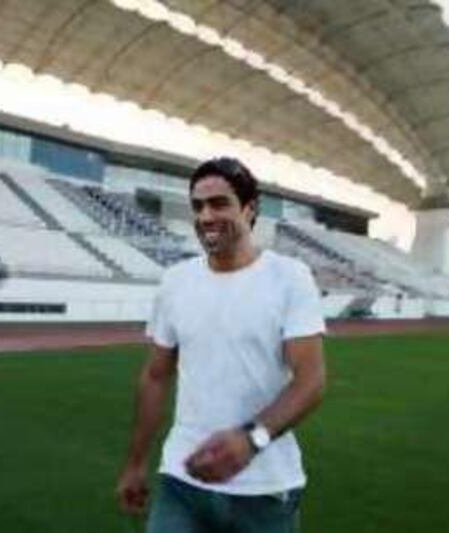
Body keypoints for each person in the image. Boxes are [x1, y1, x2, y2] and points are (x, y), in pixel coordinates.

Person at [116, 157, 327, 532]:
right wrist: (135, 463)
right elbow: (155, 377)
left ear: (249, 209)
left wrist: (251, 440)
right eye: (198, 206)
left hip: (265, 491)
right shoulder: (176, 282)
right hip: (183, 479)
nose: (206, 216)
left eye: (219, 203)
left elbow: (310, 382)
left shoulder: (289, 278)